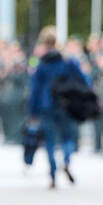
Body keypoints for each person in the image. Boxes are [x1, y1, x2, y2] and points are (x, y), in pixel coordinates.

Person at [28, 26, 91, 189]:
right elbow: (84, 81)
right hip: (66, 104)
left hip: (47, 105)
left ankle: (53, 174)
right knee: (68, 138)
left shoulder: (42, 63)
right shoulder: (69, 61)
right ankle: (67, 161)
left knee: (49, 140)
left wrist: (32, 111)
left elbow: (35, 89)